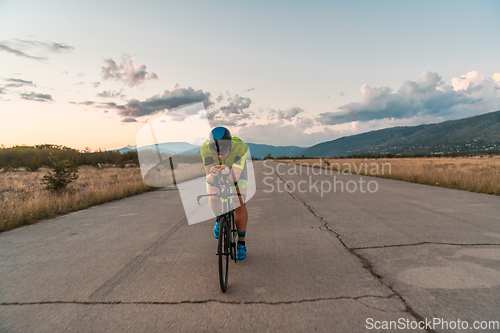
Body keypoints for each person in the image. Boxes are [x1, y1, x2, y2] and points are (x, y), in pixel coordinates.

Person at [200, 127, 249, 260]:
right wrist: (212, 175)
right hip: (217, 173)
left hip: (236, 173)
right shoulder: (205, 148)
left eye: (224, 150)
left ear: (230, 146)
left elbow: (235, 178)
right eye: (216, 151)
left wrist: (228, 173)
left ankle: (241, 243)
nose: (220, 155)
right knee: (213, 195)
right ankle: (218, 219)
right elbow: (209, 179)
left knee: (237, 201)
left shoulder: (240, 147)